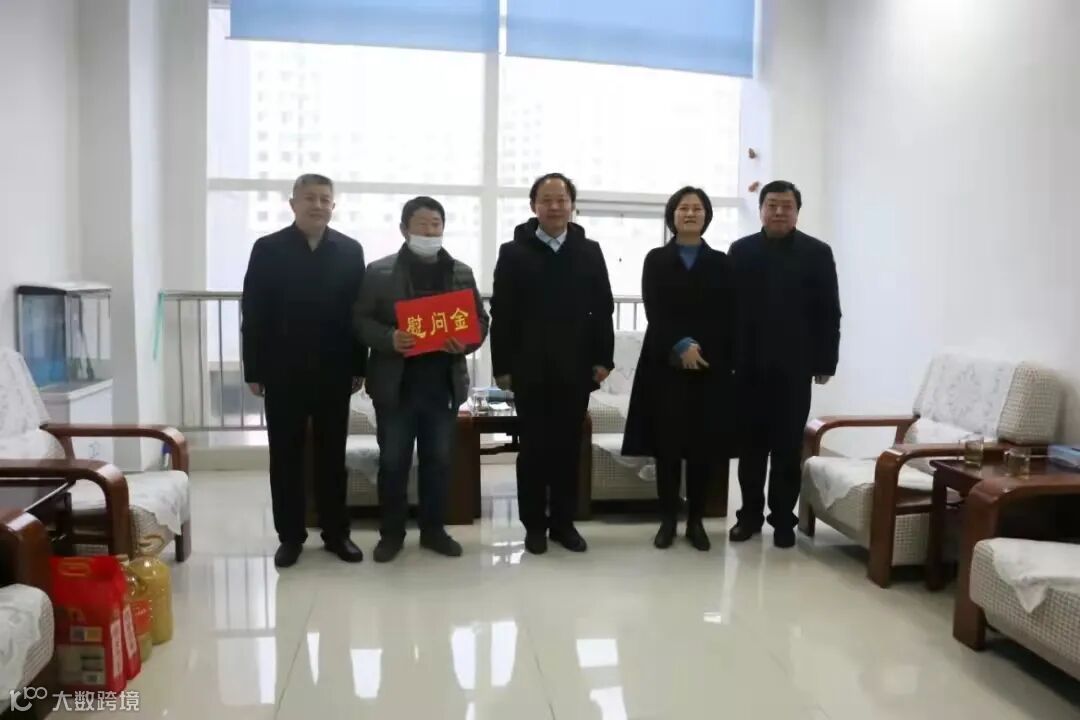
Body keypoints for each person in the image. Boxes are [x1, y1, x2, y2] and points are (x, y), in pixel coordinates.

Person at [241, 174, 367, 568]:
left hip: (334, 369)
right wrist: (254, 369)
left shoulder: (350, 250)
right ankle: (291, 536)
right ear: (293, 203)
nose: (317, 205)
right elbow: (254, 312)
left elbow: (357, 313)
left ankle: (336, 533)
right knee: (285, 456)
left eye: (325, 199)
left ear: (334, 206)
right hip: (283, 370)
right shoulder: (268, 249)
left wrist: (358, 365)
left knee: (332, 455)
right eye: (309, 198)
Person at [354, 197, 489, 563]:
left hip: (442, 386)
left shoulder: (460, 272)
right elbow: (360, 320)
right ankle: (391, 534)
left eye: (436, 225)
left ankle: (434, 531)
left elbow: (480, 321)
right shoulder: (379, 272)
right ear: (404, 229)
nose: (430, 232)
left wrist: (466, 342)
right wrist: (389, 338)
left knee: (439, 462)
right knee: (393, 463)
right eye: (422, 225)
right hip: (396, 387)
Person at [490, 172, 615, 555]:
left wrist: (604, 358)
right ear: (534, 206)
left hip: (575, 368)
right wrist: (502, 366)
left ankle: (563, 523)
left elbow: (603, 308)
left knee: (567, 449)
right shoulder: (513, 253)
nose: (555, 206)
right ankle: (533, 526)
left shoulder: (589, 251)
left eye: (562, 199)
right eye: (547, 200)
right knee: (533, 450)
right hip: (529, 368)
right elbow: (502, 313)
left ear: (572, 205)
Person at [728, 180, 841, 549]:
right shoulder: (741, 251)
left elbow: (829, 312)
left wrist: (825, 361)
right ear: (761, 209)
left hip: (794, 368)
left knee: (787, 449)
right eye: (772, 205)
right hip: (748, 368)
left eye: (786, 206)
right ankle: (748, 516)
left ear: (796, 212)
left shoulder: (817, 253)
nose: (779, 211)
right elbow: (727, 311)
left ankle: (782, 521)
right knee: (751, 449)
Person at [621, 187, 736, 551]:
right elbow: (655, 309)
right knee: (667, 446)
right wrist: (681, 344)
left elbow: (726, 314)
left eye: (697, 208)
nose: (690, 213)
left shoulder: (721, 262)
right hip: (664, 363)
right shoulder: (656, 259)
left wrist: (700, 348)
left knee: (702, 447)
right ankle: (668, 520)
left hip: (708, 364)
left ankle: (696, 522)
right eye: (683, 208)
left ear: (706, 216)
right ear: (672, 215)